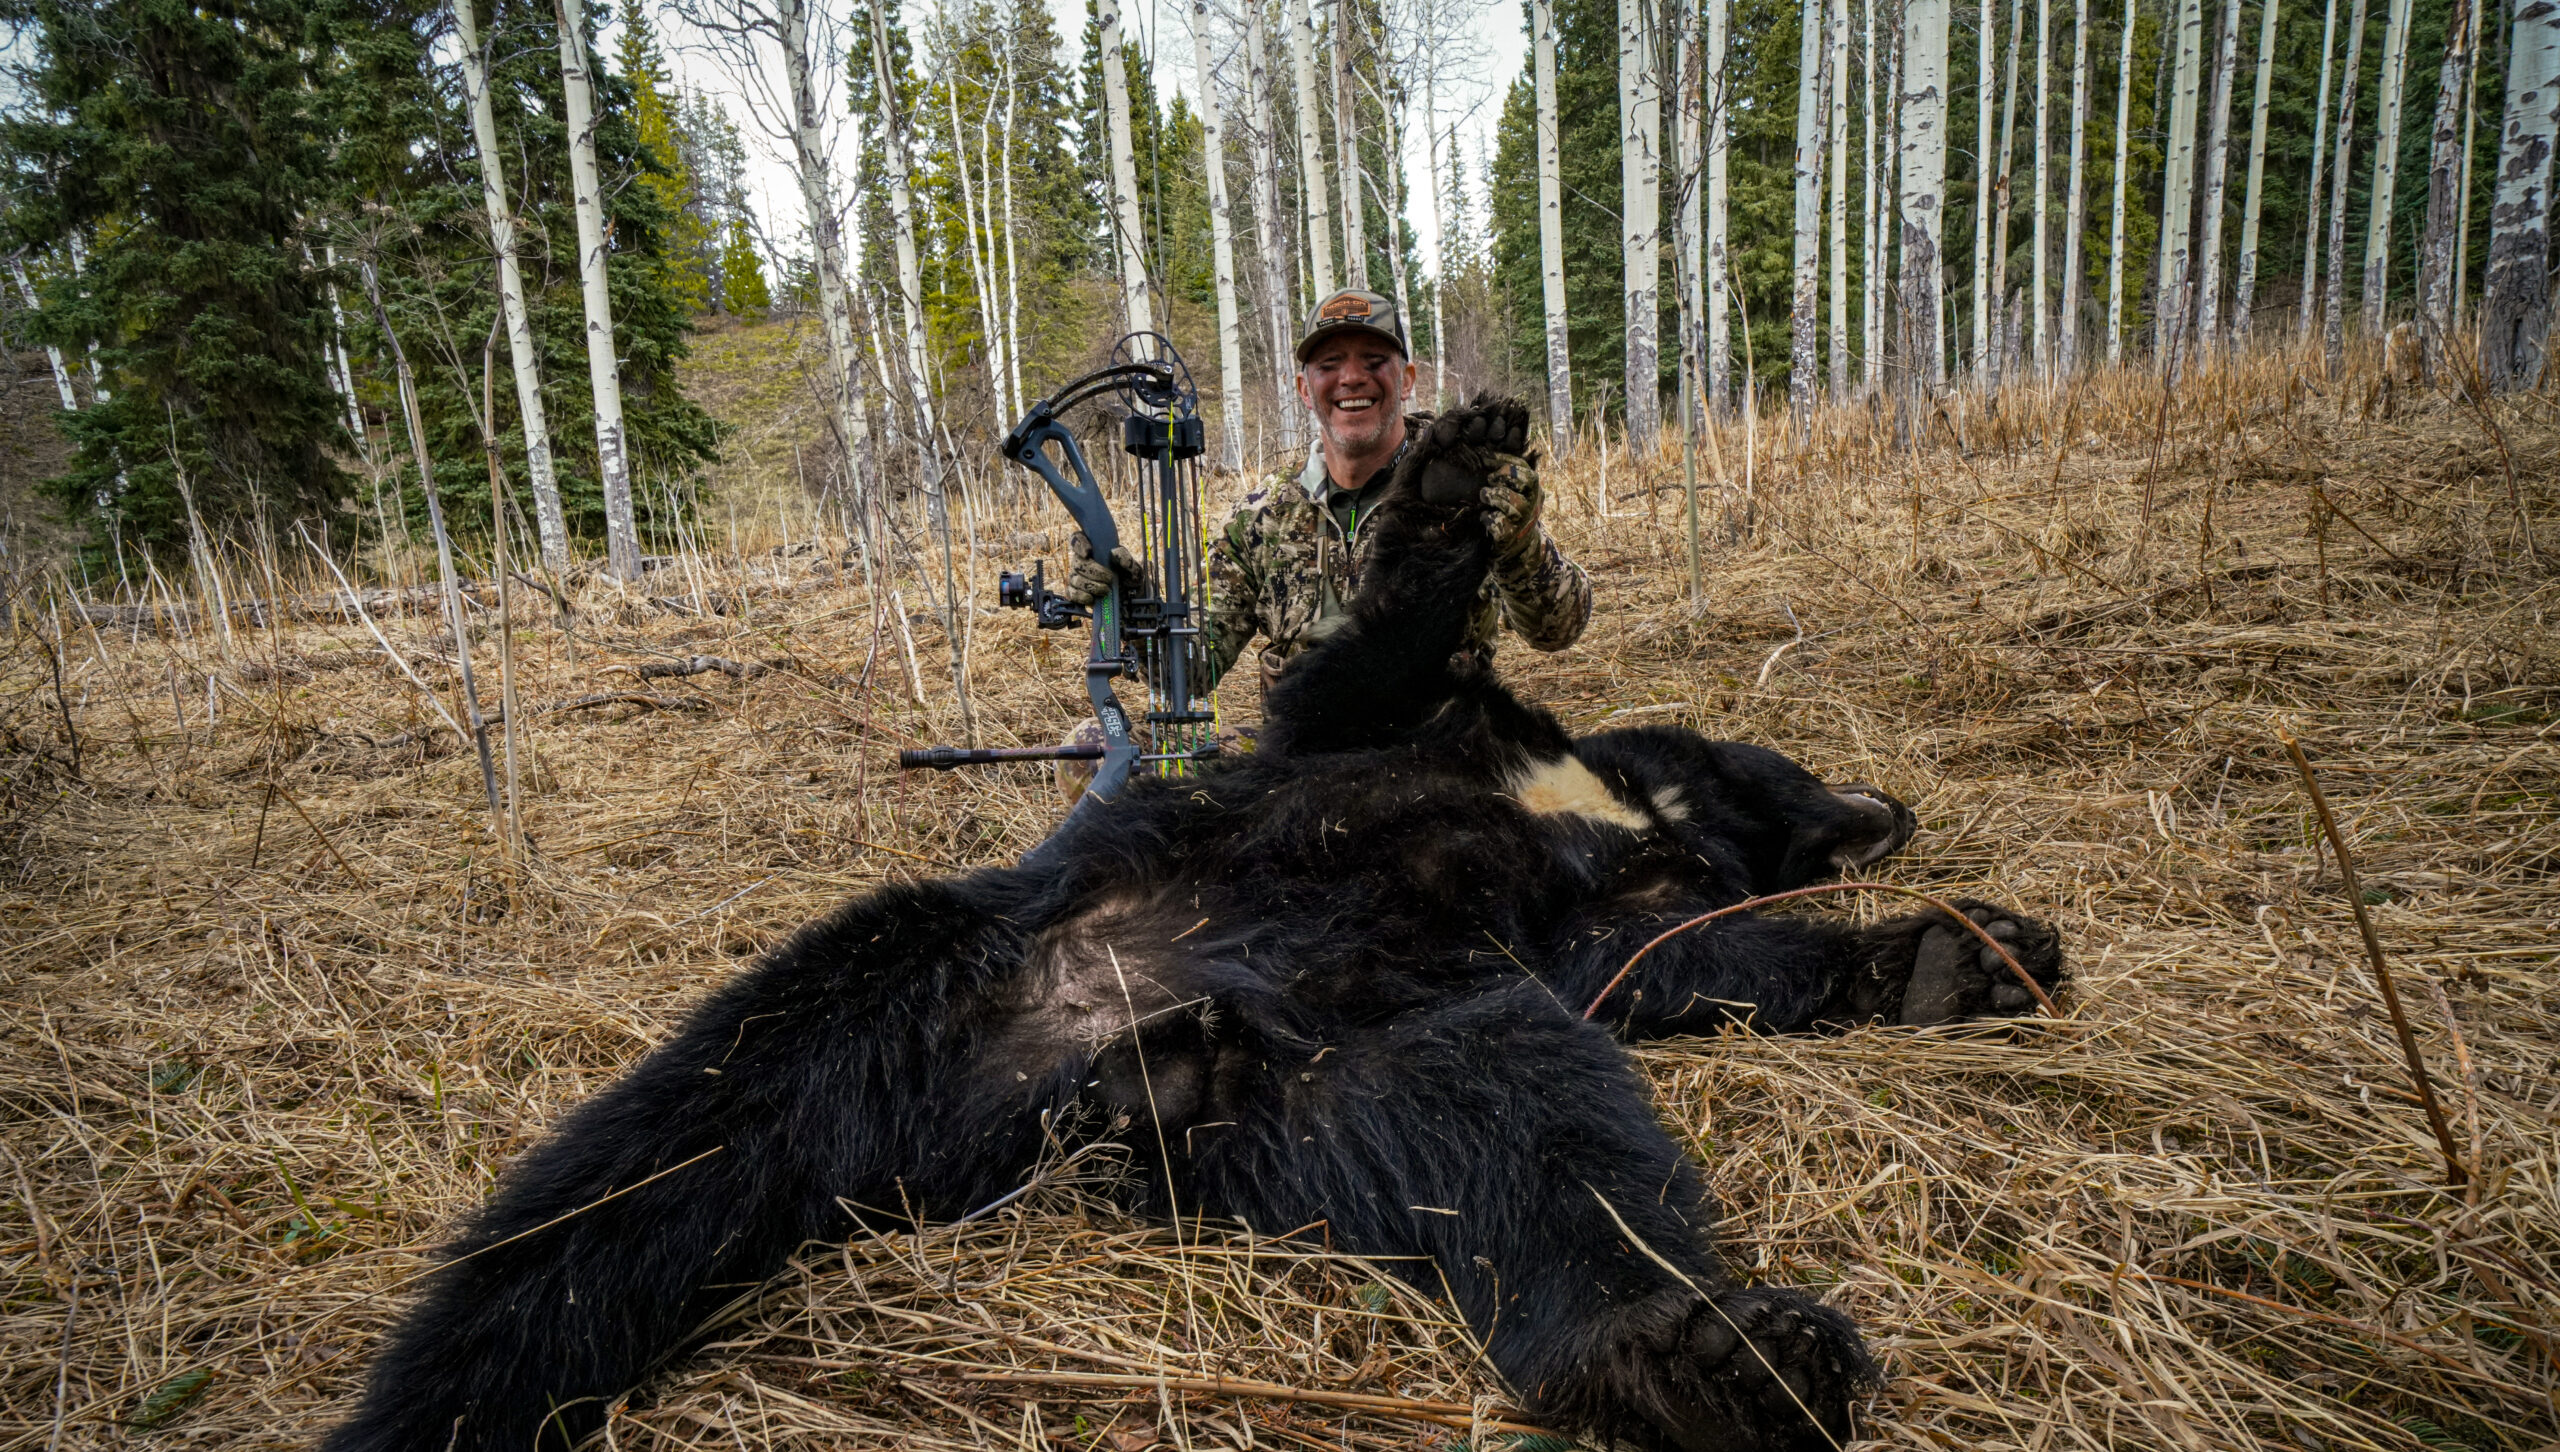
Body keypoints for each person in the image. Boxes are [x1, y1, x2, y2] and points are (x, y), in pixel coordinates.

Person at [1065, 289, 1591, 700]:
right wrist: (1126, 610)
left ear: (1407, 378)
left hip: (1436, 752)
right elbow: (1192, 669)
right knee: (1097, 756)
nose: (1352, 378)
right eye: (1330, 364)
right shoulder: (1261, 520)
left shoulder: (1465, 481)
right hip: (1303, 760)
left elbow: (1557, 630)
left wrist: (1519, 540)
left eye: (1373, 360)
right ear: (1303, 388)